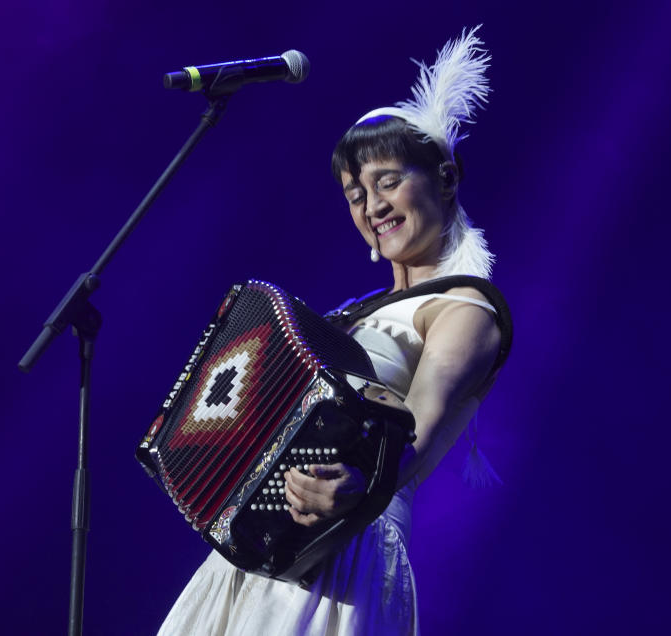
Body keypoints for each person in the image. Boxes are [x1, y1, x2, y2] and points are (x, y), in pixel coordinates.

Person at [157, 27, 510, 635]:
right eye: (355, 194)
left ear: (446, 178)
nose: (371, 206)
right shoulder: (352, 310)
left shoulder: (466, 310)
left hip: (340, 555)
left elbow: (415, 426)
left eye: (389, 181)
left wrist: (360, 485)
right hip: (254, 548)